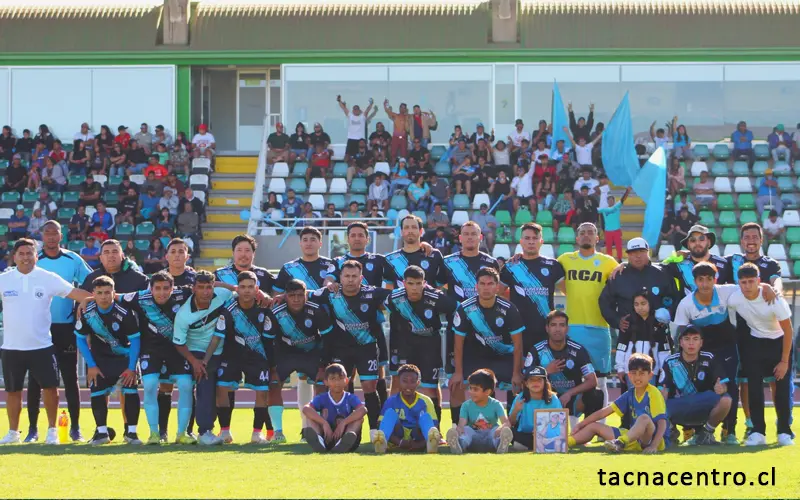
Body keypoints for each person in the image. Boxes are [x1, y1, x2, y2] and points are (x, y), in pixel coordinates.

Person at [0, 239, 93, 445]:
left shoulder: (48, 278)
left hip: (41, 346)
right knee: (13, 392)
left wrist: (95, 300)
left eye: (29, 253)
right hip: (11, 347)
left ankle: (52, 431)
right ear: (14, 257)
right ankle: (13, 432)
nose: (25, 257)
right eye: (21, 253)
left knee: (50, 389)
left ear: (36, 256)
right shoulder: (4, 279)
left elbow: (78, 294)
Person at [674, 261, 777, 444]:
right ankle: (700, 433)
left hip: (728, 348)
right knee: (702, 388)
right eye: (700, 280)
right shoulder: (686, 304)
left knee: (730, 387)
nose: (705, 284)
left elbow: (750, 284)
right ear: (694, 281)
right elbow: (681, 335)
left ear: (716, 279)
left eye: (709, 279)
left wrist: (767, 286)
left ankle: (729, 432)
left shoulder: (727, 291)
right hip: (702, 352)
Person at [24, 221, 93, 443]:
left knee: (70, 378)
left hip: (65, 328)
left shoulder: (73, 259)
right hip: (39, 328)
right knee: (35, 379)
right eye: (48, 233)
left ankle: (75, 428)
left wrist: (80, 308)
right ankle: (33, 429)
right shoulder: (36, 262)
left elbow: (90, 285)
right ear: (41, 236)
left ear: (61, 236)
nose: (51, 237)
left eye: (55, 233)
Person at [311, 260, 391, 431]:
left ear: (361, 278)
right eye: (346, 276)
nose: (350, 280)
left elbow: (398, 295)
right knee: (340, 386)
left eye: (354, 276)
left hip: (367, 347)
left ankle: (374, 430)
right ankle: (343, 427)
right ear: (340, 277)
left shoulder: (372, 293)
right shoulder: (330, 293)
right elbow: (304, 295)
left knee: (370, 386)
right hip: (340, 349)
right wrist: (280, 297)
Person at [118, 271, 192, 444]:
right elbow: (113, 296)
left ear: (173, 288)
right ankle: (154, 434)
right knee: (150, 385)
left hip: (177, 349)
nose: (162, 292)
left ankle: (181, 434)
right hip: (151, 351)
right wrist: (87, 300)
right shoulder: (139, 298)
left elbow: (210, 287)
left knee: (186, 385)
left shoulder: (184, 293)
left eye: (166, 288)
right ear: (150, 289)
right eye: (157, 288)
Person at [726, 263, 795, 447]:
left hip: (779, 342)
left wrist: (784, 361)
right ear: (738, 283)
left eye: (751, 281)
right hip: (755, 342)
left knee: (781, 388)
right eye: (743, 282)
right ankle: (757, 432)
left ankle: (784, 432)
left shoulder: (774, 299)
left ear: (758, 281)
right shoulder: (734, 299)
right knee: (754, 387)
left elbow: (788, 330)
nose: (747, 286)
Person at [450, 267, 524, 423]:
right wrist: (458, 372)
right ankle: (457, 428)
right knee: (456, 384)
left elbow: (518, 345)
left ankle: (512, 429)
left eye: (490, 284)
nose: (486, 288)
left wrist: (517, 373)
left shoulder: (509, 309)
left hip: (502, 357)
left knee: (518, 384)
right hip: (475, 358)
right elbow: (458, 344)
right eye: (482, 284)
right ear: (476, 286)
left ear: (497, 287)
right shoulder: (464, 309)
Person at [75, 276, 142, 445]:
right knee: (97, 393)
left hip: (124, 359)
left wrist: (132, 367)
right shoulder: (88, 313)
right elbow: (80, 339)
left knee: (130, 392)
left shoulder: (126, 313)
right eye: (99, 293)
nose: (104, 296)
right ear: (93, 294)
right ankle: (102, 433)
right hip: (100, 361)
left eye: (107, 292)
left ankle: (132, 433)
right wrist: (91, 365)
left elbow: (135, 340)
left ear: (114, 293)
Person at [386, 266, 457, 424]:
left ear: (424, 283)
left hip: (429, 344)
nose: (415, 288)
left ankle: (435, 429)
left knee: (430, 387)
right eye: (411, 283)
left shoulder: (435, 297)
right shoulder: (394, 298)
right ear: (404, 283)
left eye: (418, 283)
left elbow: (454, 308)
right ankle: (392, 427)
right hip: (404, 344)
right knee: (398, 383)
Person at [557, 223, 618, 407]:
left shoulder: (609, 262)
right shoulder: (565, 259)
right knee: (574, 378)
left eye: (590, 233)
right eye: (582, 232)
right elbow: (558, 282)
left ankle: (601, 426)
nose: (586, 236)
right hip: (573, 328)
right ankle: (575, 427)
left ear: (597, 238)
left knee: (600, 381)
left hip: (599, 328)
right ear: (577, 238)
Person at [210, 271, 274, 445]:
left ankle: (256, 434)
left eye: (250, 287)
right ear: (238, 289)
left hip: (257, 357)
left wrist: (271, 364)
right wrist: (206, 359)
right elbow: (217, 337)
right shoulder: (228, 309)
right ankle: (225, 432)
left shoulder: (264, 310)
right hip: (231, 356)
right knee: (221, 389)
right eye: (243, 287)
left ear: (257, 289)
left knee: (262, 392)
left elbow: (269, 341)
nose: (247, 291)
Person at [172, 271, 234, 445]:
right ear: (194, 289)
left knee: (223, 388)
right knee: (205, 381)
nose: (206, 292)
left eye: (209, 287)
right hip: (195, 351)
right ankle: (204, 431)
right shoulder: (184, 314)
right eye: (201, 288)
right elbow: (179, 343)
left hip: (222, 349)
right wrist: (195, 362)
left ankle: (224, 430)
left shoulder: (221, 295)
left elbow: (237, 291)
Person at [269, 279, 333, 437]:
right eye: (292, 296)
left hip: (311, 354)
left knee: (321, 385)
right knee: (274, 384)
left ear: (306, 295)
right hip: (285, 354)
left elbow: (328, 339)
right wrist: (272, 367)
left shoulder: (317, 310)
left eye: (300, 295)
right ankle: (278, 432)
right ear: (285, 296)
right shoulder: (276, 312)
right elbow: (270, 342)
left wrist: (322, 366)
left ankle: (314, 429)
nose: (296, 299)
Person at [440, 222, 501, 388]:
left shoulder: (490, 262)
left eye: (474, 234)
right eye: (466, 234)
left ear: (480, 238)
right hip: (457, 327)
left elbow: (498, 291)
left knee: (487, 380)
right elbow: (438, 289)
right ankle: (458, 415)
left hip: (486, 328)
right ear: (459, 238)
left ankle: (488, 414)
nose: (469, 237)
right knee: (457, 381)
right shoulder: (448, 262)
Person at [570, 354, 670, 453]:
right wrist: (581, 424)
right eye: (634, 373)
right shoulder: (629, 393)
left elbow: (662, 423)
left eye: (642, 373)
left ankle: (619, 443)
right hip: (632, 438)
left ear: (650, 376)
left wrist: (654, 446)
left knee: (644, 418)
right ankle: (565, 442)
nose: (637, 377)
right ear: (629, 375)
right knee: (593, 426)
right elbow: (604, 412)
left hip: (650, 439)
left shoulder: (653, 393)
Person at [524, 310, 603, 427]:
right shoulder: (537, 350)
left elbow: (592, 380)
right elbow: (525, 378)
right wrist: (546, 371)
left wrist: (570, 393)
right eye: (553, 325)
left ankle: (585, 430)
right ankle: (528, 427)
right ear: (547, 328)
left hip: (571, 399)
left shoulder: (578, 350)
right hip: (546, 398)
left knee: (596, 395)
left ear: (567, 329)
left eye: (562, 325)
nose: (557, 329)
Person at [660, 325, 732, 446]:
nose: (691, 343)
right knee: (657, 402)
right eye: (687, 339)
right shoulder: (670, 362)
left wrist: (722, 388)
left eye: (695, 339)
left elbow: (723, 383)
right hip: (679, 406)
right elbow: (663, 389)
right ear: (681, 342)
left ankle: (706, 434)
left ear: (701, 342)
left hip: (704, 405)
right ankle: (671, 432)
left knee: (726, 400)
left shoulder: (709, 358)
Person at [599, 238, 679, 343]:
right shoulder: (618, 276)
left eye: (641, 251)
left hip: (658, 335)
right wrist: (617, 320)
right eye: (633, 253)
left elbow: (675, 298)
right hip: (629, 336)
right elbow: (604, 301)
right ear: (628, 255)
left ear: (648, 252)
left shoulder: (662, 273)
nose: (638, 256)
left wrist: (668, 312)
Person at [501, 223, 565, 351]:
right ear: (521, 241)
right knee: (520, 368)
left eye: (535, 238)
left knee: (545, 369)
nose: (531, 242)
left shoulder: (553, 265)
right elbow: (497, 293)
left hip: (546, 329)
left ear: (541, 241)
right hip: (518, 329)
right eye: (527, 238)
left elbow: (569, 292)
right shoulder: (510, 266)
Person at [371, 364, 441, 454]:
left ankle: (430, 443)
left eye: (412, 381)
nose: (408, 385)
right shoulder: (391, 400)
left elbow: (434, 426)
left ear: (418, 383)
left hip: (417, 434)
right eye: (404, 381)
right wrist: (399, 442)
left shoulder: (426, 401)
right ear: (399, 382)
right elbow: (380, 423)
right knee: (389, 413)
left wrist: (419, 445)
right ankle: (381, 443)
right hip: (398, 434)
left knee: (426, 417)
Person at [446, 368, 513, 454]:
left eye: (476, 389)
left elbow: (506, 423)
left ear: (487, 391)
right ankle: (459, 445)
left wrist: (500, 429)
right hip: (473, 440)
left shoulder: (496, 404)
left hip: (490, 438)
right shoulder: (466, 405)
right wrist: (459, 430)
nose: (471, 392)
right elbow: (462, 423)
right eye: (470, 388)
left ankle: (501, 444)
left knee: (497, 429)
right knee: (466, 429)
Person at [302, 363, 366, 453]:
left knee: (359, 419)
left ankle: (343, 442)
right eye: (333, 379)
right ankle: (319, 441)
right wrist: (324, 423)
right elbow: (306, 409)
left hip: (346, 436)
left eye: (340, 378)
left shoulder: (350, 398)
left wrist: (344, 423)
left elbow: (363, 410)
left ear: (346, 380)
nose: (337, 382)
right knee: (309, 417)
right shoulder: (322, 398)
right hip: (327, 437)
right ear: (326, 382)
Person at [660, 224, 729, 296]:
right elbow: (658, 270)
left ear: (709, 242)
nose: (697, 243)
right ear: (688, 244)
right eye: (693, 240)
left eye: (701, 239)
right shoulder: (678, 265)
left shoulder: (723, 264)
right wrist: (673, 258)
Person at [507, 365, 561, 450]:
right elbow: (511, 422)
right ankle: (529, 446)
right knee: (508, 430)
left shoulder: (553, 399)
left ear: (545, 382)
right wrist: (515, 410)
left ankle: (525, 447)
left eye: (539, 380)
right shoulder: (520, 398)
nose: (535, 383)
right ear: (526, 383)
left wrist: (542, 430)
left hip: (546, 435)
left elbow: (559, 423)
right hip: (525, 434)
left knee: (554, 439)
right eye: (532, 380)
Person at [273, 227, 336, 294]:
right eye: (305, 240)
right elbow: (277, 294)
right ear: (300, 244)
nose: (308, 243)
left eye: (313, 240)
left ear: (320, 244)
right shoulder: (288, 268)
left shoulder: (331, 265)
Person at [598, 188, 631, 261]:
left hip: (617, 230)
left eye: (612, 200)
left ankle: (619, 259)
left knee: (618, 246)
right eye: (609, 200)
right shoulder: (603, 210)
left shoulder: (617, 207)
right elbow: (595, 209)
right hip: (608, 231)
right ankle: (610, 260)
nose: (610, 201)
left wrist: (627, 191)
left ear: (614, 201)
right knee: (608, 246)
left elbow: (623, 199)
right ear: (607, 201)